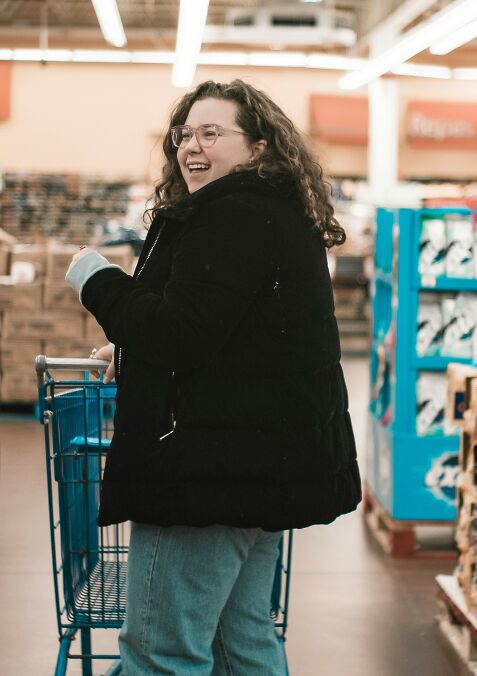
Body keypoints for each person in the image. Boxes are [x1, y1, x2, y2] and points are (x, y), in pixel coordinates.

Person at [65, 79, 362, 674]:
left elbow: (182, 332)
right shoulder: (274, 211)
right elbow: (241, 332)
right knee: (241, 640)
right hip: (258, 462)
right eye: (183, 133)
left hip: (207, 472)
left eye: (210, 132)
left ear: (256, 148)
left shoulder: (230, 215)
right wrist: (133, 354)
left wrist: (95, 279)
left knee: (160, 650)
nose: (190, 145)